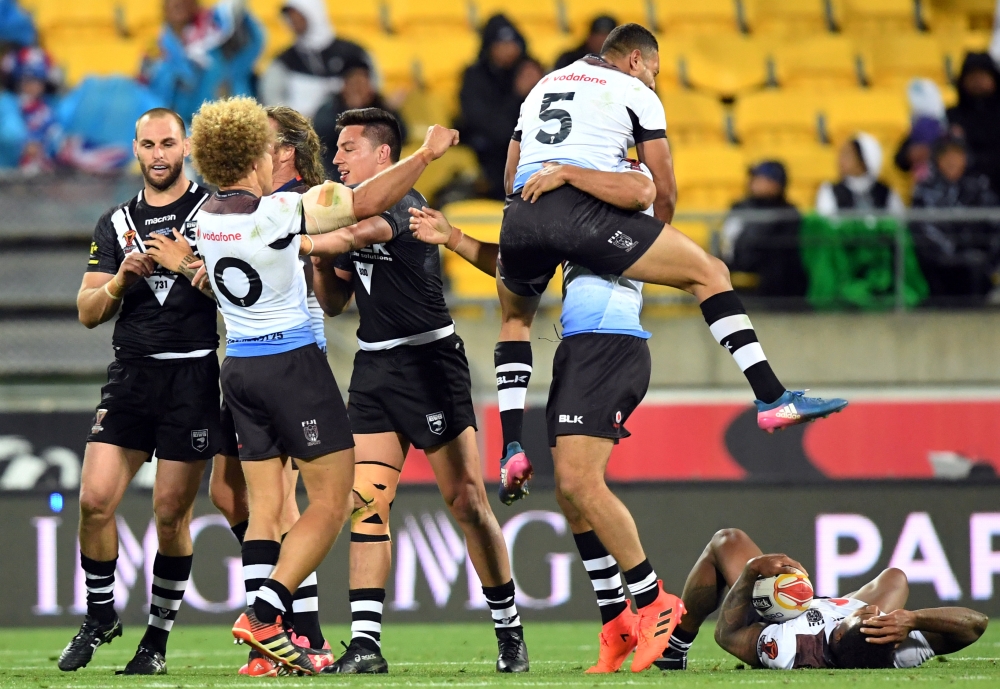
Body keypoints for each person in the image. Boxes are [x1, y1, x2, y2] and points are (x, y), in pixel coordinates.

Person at [494, 23, 846, 511]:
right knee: (709, 272)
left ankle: (511, 446)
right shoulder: (633, 91)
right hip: (583, 217)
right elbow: (663, 188)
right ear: (636, 60)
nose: (655, 81)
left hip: (522, 218)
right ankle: (771, 396)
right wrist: (643, 250)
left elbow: (511, 175)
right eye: (655, 71)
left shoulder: (542, 86)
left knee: (515, 319)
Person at [188, 95, 459, 676]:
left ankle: (274, 646)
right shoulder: (278, 211)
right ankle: (265, 615)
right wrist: (426, 155)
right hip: (293, 369)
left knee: (266, 510)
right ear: (255, 153)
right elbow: (363, 202)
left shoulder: (202, 219)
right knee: (334, 503)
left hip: (237, 369)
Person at [411, 158, 684, 674]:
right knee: (569, 493)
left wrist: (565, 174)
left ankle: (653, 603)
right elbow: (519, 272)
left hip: (613, 342)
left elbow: (646, 189)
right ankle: (617, 622)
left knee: (582, 483)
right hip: (579, 346)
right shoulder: (575, 204)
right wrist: (455, 238)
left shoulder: (621, 177)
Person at [309, 107, 528, 674]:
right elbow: (335, 303)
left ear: (384, 156)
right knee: (367, 502)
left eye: (348, 148)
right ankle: (366, 644)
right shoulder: (346, 211)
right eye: (337, 149)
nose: (337, 158)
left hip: (432, 364)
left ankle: (508, 629)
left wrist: (305, 238)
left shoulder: (404, 209)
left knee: (467, 503)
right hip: (375, 368)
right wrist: (318, 261)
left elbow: (363, 231)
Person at [148, 104, 334, 677]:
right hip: (263, 356)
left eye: (274, 141)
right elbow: (240, 282)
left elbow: (280, 280)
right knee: (248, 500)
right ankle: (277, 631)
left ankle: (297, 633)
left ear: (287, 152)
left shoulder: (291, 201)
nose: (265, 150)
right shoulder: (246, 206)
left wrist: (188, 267)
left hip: (287, 352)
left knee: (277, 503)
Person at [60, 108, 217, 676]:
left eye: (168, 143)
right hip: (131, 374)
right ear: (135, 149)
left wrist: (190, 266)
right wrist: (122, 281)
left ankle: (155, 640)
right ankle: (100, 614)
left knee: (170, 516)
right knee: (94, 501)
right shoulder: (117, 223)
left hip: (194, 376)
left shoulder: (214, 214)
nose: (158, 154)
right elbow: (86, 312)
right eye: (148, 144)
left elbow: (241, 297)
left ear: (187, 147)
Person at [664, 528, 988, 670]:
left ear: (838, 632)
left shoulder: (789, 646)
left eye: (866, 616)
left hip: (782, 614)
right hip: (832, 610)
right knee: (896, 577)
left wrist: (751, 574)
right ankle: (843, 608)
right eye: (878, 616)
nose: (876, 610)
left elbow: (728, 634)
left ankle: (675, 646)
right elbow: (975, 624)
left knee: (727, 541)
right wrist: (915, 619)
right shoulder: (896, 648)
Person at [141, 0, 263, 123]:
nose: (177, 3)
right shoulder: (155, 50)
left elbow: (248, 50)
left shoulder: (215, 36)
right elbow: (151, 97)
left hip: (227, 119)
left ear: (195, 4)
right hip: (182, 126)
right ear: (164, 7)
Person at [911, 135, 1000, 301]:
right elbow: (923, 230)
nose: (952, 161)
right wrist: (952, 254)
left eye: (957, 155)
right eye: (946, 156)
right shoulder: (924, 190)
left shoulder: (979, 186)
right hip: (940, 269)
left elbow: (994, 223)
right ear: (937, 160)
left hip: (981, 266)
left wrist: (987, 256)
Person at [259, 0, 373, 120]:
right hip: (303, 130)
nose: (294, 21)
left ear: (314, 13)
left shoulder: (353, 53)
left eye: (298, 15)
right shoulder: (283, 61)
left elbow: (372, 89)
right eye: (291, 16)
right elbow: (271, 99)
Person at [458, 14, 528, 199]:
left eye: (512, 43)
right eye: (501, 44)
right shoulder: (475, 76)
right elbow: (484, 123)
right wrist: (517, 95)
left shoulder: (528, 71)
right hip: (490, 154)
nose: (508, 49)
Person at [720, 160, 807, 298]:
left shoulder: (788, 213)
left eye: (761, 178)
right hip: (738, 262)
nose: (754, 182)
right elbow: (727, 238)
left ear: (776, 184)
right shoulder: (739, 207)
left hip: (774, 276)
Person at [313, 61, 407, 180]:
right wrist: (351, 110)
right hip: (337, 179)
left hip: (376, 180)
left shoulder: (381, 105)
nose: (358, 88)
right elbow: (322, 132)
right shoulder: (331, 105)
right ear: (345, 85)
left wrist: (388, 111)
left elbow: (402, 135)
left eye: (362, 83)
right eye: (354, 82)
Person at [947, 52, 1000, 196]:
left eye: (982, 75)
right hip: (961, 196)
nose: (977, 81)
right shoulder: (950, 116)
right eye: (972, 76)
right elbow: (903, 158)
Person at [816, 133, 905, 215]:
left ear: (863, 160)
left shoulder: (886, 192)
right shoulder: (830, 189)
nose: (840, 160)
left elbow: (898, 224)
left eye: (847, 154)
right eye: (841, 154)